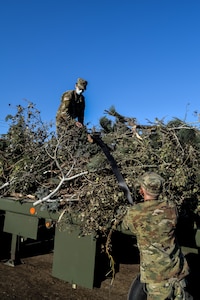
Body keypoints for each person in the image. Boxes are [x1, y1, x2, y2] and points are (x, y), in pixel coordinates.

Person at [117, 172, 192, 300]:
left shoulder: (135, 212)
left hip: (157, 281)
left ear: (142, 190)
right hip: (178, 275)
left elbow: (123, 226)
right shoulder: (172, 208)